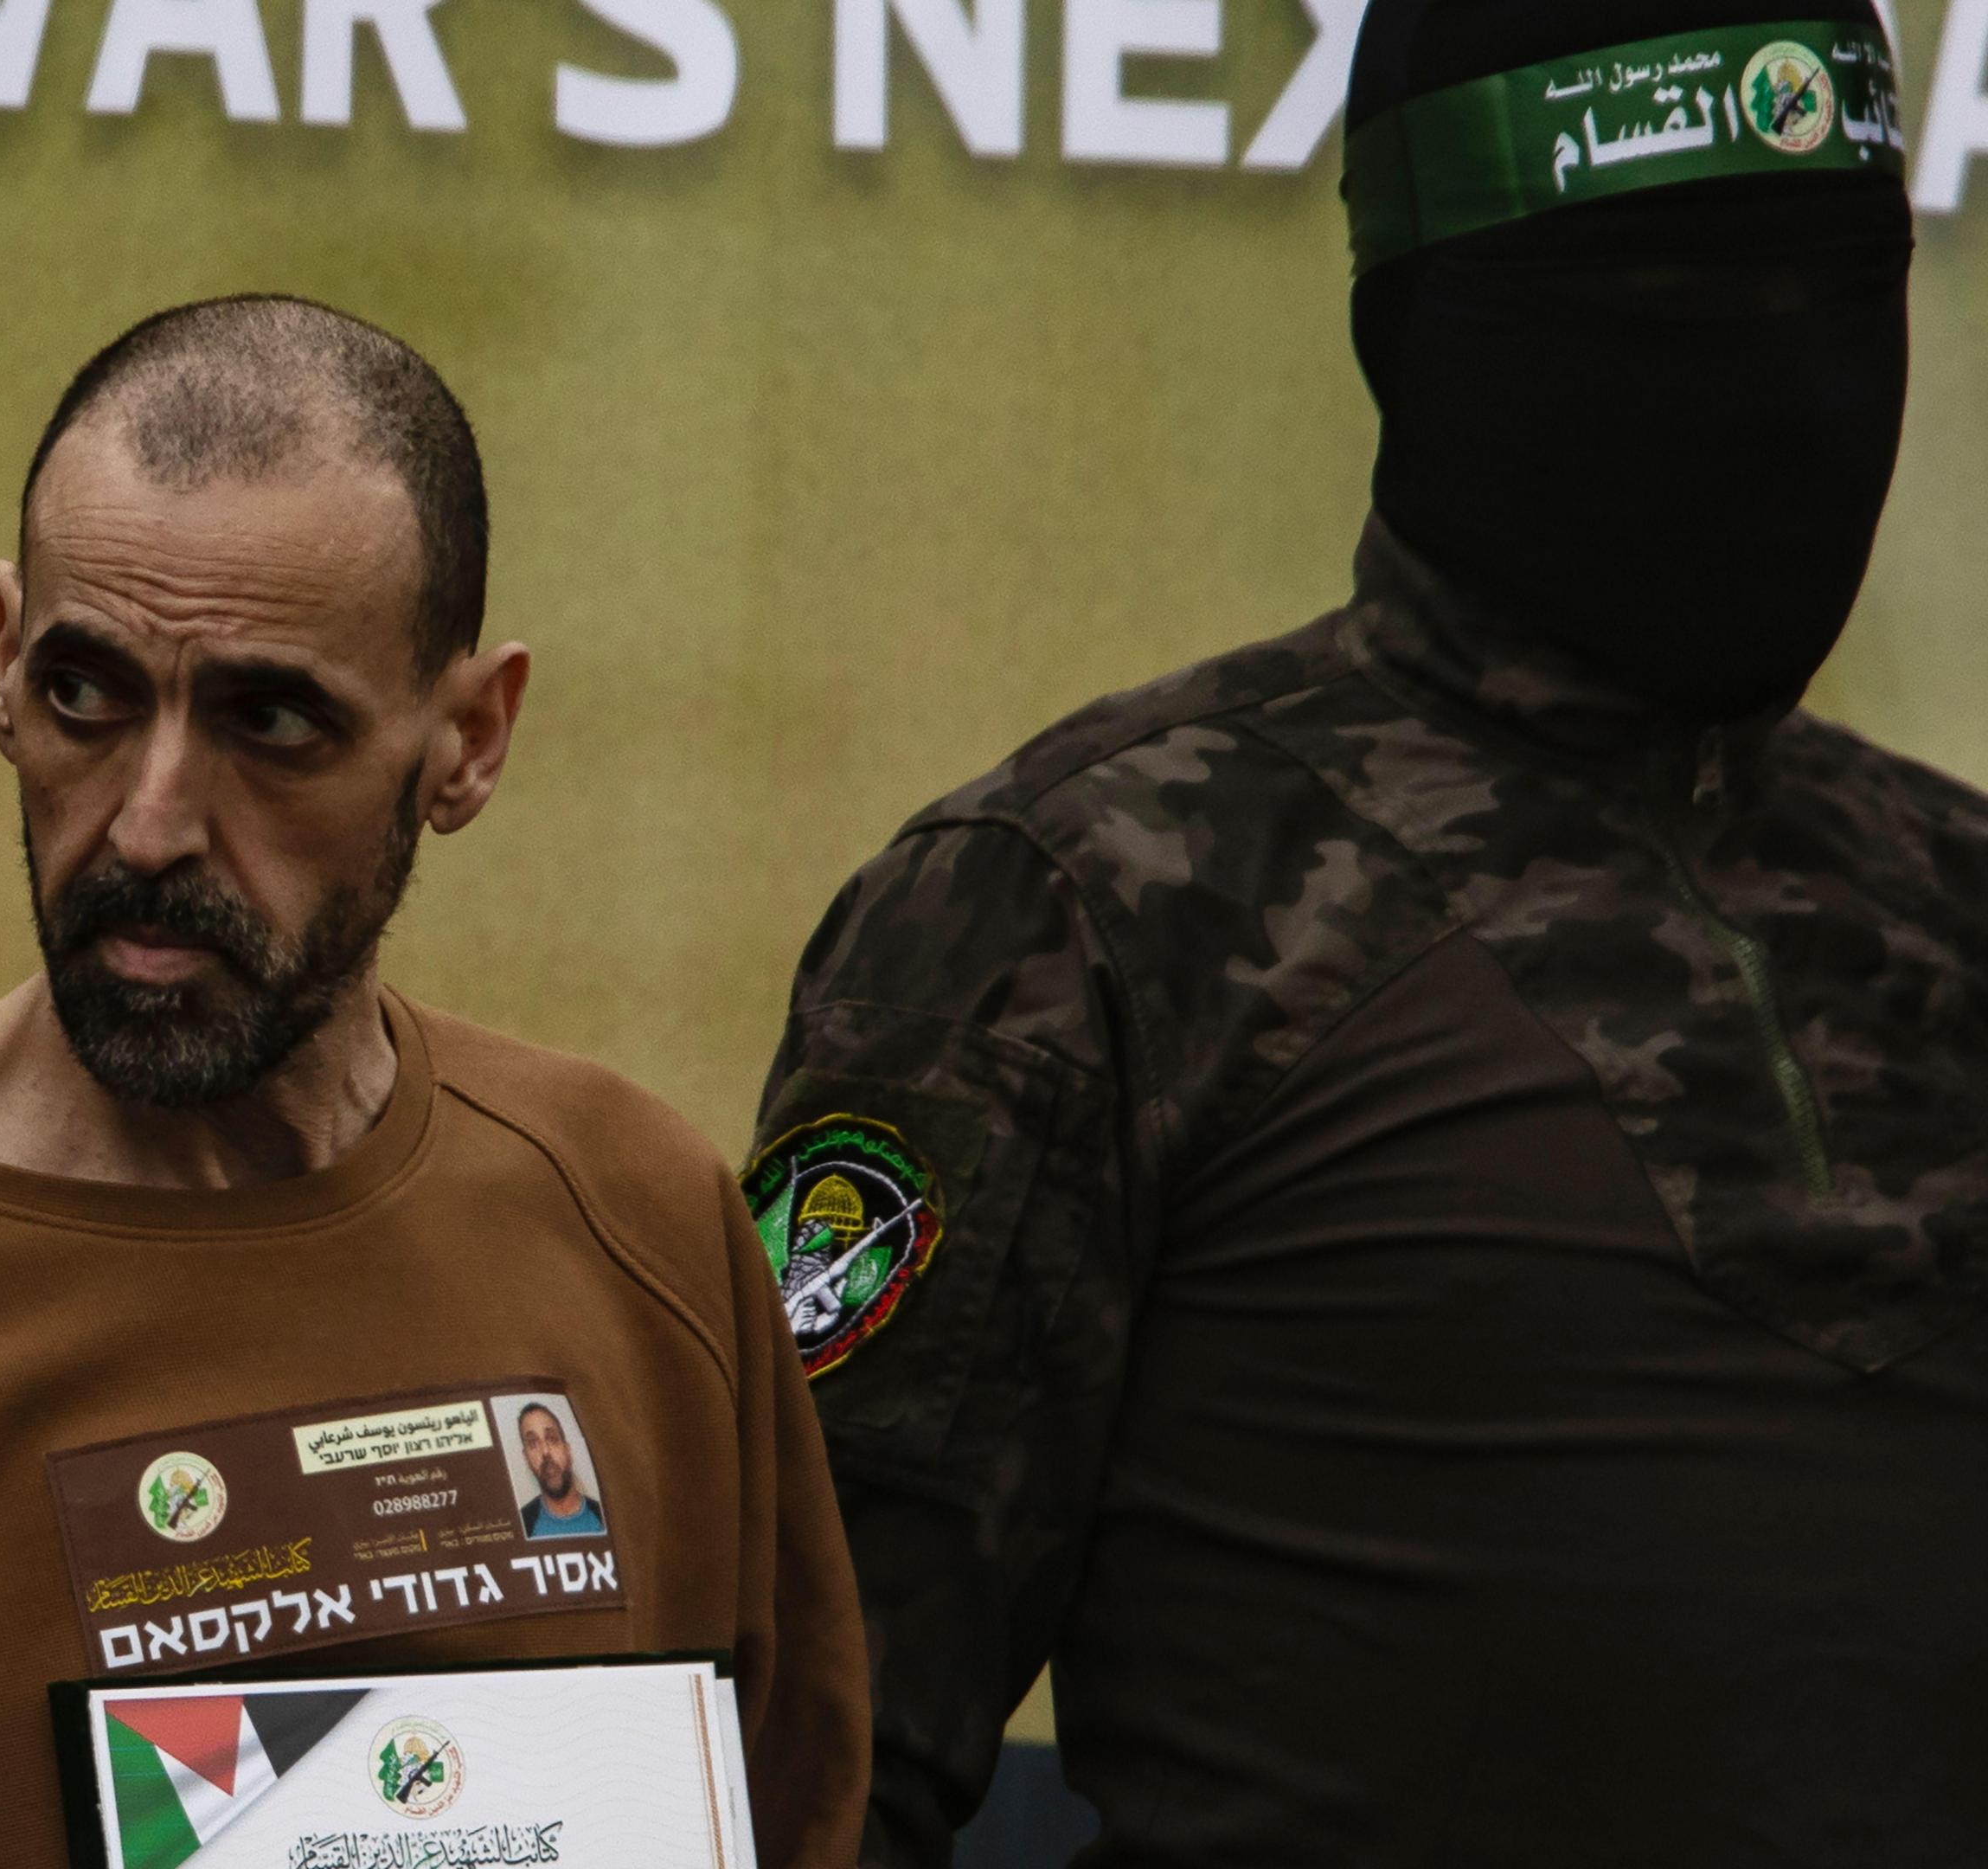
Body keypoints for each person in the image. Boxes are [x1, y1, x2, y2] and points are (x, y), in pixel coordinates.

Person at [751, 2, 1981, 1863]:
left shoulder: (1955, 889)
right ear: (1413, 332)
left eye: (1836, 296)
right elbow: (804, 1756)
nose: (1791, 396)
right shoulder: (1088, 895)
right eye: (1659, 309)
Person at [0, 295, 869, 1868]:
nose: (149, 824)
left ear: (468, 739)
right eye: (86, 694)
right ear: (1, 664)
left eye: (269, 722)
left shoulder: (637, 1225)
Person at [514, 1401, 605, 1538]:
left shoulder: (606, 1517)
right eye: (533, 1443)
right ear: (526, 1459)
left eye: (552, 1439)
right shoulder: (520, 1527)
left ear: (568, 1451)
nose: (545, 1451)